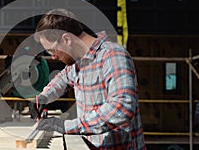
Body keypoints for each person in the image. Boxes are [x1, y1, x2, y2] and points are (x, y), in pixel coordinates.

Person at [29, 8, 146, 150]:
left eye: (52, 50)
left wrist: (65, 126)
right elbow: (62, 79)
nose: (53, 57)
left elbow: (121, 108)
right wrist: (43, 97)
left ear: (67, 39)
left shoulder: (112, 56)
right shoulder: (79, 62)